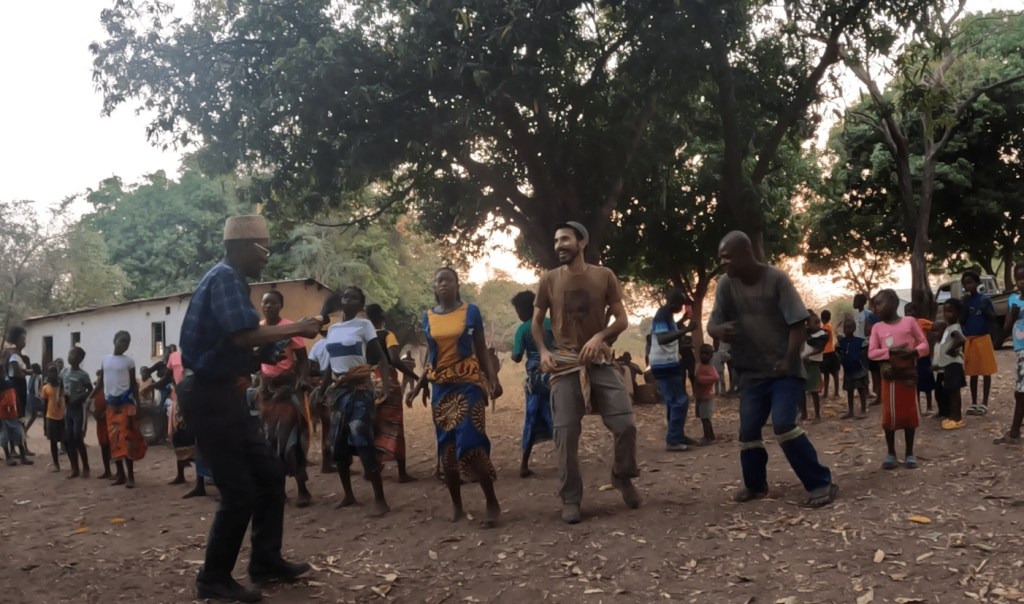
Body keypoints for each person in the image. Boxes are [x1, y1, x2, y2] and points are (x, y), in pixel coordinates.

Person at [177, 216, 321, 602]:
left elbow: (237, 346)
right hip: (208, 395)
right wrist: (295, 329)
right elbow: (242, 334)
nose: (267, 257)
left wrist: (263, 353)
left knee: (270, 474)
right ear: (242, 246)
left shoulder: (231, 281)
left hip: (222, 391)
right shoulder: (225, 277)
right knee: (239, 490)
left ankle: (265, 561)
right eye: (263, 248)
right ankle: (213, 579)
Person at [707, 231, 837, 508]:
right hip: (751, 371)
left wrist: (789, 359)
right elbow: (712, 326)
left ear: (746, 253)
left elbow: (797, 324)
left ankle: (820, 482)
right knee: (749, 431)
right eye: (721, 258)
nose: (723, 263)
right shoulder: (725, 285)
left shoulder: (776, 279)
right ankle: (755, 485)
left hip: (783, 370)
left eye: (727, 257)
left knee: (784, 425)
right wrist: (719, 330)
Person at [531, 221, 640, 524]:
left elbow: (621, 320)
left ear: (582, 242)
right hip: (564, 364)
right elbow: (537, 323)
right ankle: (571, 498)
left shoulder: (604, 276)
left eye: (565, 239)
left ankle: (622, 476)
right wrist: (543, 352)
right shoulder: (549, 280)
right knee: (565, 435)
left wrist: (599, 337)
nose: (558, 245)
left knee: (626, 425)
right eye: (555, 241)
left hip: (600, 361)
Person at [407, 267, 504, 527]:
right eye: (438, 280)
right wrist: (420, 385)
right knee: (447, 449)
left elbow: (481, 349)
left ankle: (491, 501)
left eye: (448, 280)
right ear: (433, 286)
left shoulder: (470, 312)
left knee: (471, 443)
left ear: (457, 284)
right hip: (441, 387)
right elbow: (431, 354)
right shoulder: (428, 316)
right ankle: (457, 505)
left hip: (468, 383)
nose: (443, 284)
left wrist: (492, 378)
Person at [319, 287, 394, 515]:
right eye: (346, 297)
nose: (348, 300)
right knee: (338, 443)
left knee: (362, 438)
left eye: (354, 297)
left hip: (360, 390)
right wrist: (321, 390)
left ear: (361, 304)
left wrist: (386, 387)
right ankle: (348, 495)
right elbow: (330, 365)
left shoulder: (365, 325)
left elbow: (381, 358)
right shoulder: (333, 330)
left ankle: (380, 499)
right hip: (338, 392)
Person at [254, 289, 314, 508]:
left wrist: (303, 378)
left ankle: (302, 489)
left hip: (287, 389)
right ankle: (278, 491)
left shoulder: (290, 329)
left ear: (280, 305)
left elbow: (303, 360)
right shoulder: (259, 329)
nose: (268, 306)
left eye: (272, 303)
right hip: (266, 392)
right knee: (270, 442)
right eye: (265, 303)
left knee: (290, 439)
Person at [868, 289, 929, 470]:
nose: (875, 308)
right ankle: (891, 452)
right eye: (874, 306)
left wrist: (914, 351)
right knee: (889, 416)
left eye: (879, 304)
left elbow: (924, 344)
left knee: (909, 414)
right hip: (889, 377)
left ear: (893, 302)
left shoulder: (909, 322)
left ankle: (909, 452)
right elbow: (872, 353)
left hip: (908, 374)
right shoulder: (877, 328)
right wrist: (891, 352)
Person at [366, 303, 420, 483]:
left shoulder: (363, 337)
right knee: (395, 426)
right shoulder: (388, 335)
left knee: (373, 425)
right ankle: (402, 473)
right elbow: (395, 360)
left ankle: (372, 467)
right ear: (382, 316)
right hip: (387, 380)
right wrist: (415, 376)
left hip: (368, 382)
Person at [92, 331, 147, 487]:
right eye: (122, 341)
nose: (124, 344)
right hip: (111, 405)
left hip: (126, 403)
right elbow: (101, 383)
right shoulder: (105, 360)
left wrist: (139, 404)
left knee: (127, 438)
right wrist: (89, 397)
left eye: (127, 342)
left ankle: (130, 477)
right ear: (114, 340)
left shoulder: (129, 362)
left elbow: (133, 385)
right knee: (114, 439)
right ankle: (120, 474)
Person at [510, 290, 554, 478]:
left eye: (517, 310)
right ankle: (569, 459)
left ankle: (524, 465)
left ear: (523, 309)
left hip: (535, 382)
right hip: (556, 374)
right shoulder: (551, 323)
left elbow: (517, 356)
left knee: (531, 418)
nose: (517, 314)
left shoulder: (523, 329)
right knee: (559, 417)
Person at [649, 288, 698, 450]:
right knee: (680, 401)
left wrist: (682, 322)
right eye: (682, 304)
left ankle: (677, 434)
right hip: (665, 363)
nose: (682, 307)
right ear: (675, 302)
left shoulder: (666, 315)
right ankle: (674, 439)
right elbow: (662, 338)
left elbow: (668, 332)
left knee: (673, 401)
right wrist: (686, 330)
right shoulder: (662, 315)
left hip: (666, 362)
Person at [961, 271, 998, 416]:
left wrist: (985, 310)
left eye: (970, 282)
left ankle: (985, 403)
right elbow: (961, 320)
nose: (967, 285)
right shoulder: (965, 301)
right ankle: (974, 403)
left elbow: (993, 318)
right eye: (965, 283)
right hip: (970, 339)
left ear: (977, 283)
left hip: (983, 337)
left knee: (986, 371)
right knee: (973, 372)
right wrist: (963, 307)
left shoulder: (984, 299)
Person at [996, 263, 1024, 444]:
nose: (1022, 282)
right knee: (1019, 392)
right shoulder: (1014, 300)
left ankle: (1014, 432)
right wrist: (1013, 317)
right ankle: (1014, 431)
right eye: (1019, 278)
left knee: (1021, 393)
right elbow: (1005, 331)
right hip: (1020, 350)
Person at [1, 326, 33, 466]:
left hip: (16, 391)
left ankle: (21, 449)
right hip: (12, 392)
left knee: (19, 420)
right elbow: (17, 373)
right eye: (22, 338)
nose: (24, 341)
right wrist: (28, 372)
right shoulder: (13, 356)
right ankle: (13, 451)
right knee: (11, 422)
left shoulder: (20, 356)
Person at [934, 300, 966, 429]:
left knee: (954, 392)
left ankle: (957, 418)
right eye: (945, 311)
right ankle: (953, 415)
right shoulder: (948, 327)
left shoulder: (954, 328)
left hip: (953, 364)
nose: (946, 314)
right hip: (949, 365)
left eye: (950, 311)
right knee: (951, 391)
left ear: (958, 314)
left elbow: (961, 339)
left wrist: (951, 350)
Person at [61, 347, 92, 478]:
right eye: (69, 354)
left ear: (80, 359)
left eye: (73, 355)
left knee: (77, 437)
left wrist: (80, 397)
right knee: (68, 440)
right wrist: (61, 396)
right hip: (67, 409)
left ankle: (86, 467)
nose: (70, 357)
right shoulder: (64, 372)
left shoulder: (83, 375)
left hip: (77, 409)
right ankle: (74, 468)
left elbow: (90, 389)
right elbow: (61, 386)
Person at [904, 303, 935, 415]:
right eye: (907, 311)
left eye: (912, 310)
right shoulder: (904, 325)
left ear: (916, 312)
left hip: (923, 356)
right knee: (915, 383)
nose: (910, 313)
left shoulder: (922, 322)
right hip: (912, 357)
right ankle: (917, 408)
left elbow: (935, 326)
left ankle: (929, 406)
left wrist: (931, 340)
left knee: (927, 382)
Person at [837, 319, 868, 419]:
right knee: (849, 391)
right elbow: (838, 351)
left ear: (854, 328)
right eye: (846, 327)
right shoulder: (842, 342)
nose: (847, 329)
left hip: (858, 370)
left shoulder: (859, 341)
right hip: (848, 370)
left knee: (861, 390)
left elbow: (865, 351)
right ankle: (850, 411)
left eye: (850, 327)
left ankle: (863, 410)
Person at [802, 312, 828, 422]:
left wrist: (808, 355)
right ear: (807, 325)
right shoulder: (805, 334)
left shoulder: (822, 335)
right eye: (815, 323)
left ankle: (817, 415)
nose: (818, 325)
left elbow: (820, 348)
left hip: (813, 364)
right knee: (801, 390)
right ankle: (804, 413)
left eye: (818, 322)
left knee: (814, 390)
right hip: (803, 364)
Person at [41, 364, 66, 473]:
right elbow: (45, 405)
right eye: (50, 372)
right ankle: (56, 464)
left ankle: (74, 464)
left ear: (58, 373)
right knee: (53, 442)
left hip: (62, 416)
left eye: (54, 371)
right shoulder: (46, 388)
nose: (52, 374)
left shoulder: (62, 387)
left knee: (66, 441)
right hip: (50, 417)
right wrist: (44, 421)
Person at [694, 344, 718, 444]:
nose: (704, 356)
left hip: (707, 397)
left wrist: (701, 379)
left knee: (705, 418)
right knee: (703, 417)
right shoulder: (699, 366)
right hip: (700, 396)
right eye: (702, 354)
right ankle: (710, 436)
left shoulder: (710, 367)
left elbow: (715, 378)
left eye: (707, 354)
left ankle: (707, 438)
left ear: (711, 356)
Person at [90, 370, 112, 478]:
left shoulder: (110, 389)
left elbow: (112, 404)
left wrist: (106, 413)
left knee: (111, 445)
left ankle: (117, 471)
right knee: (103, 445)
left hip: (109, 420)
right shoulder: (96, 391)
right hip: (100, 422)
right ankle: (107, 470)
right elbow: (91, 404)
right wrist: (94, 413)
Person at [820, 310, 840, 398]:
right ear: (829, 318)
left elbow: (825, 338)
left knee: (827, 374)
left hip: (826, 353)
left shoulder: (825, 327)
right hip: (830, 352)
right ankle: (835, 392)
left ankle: (827, 393)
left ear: (821, 319)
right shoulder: (828, 326)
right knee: (834, 374)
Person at [25, 363, 43, 435]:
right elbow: (36, 389)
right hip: (35, 398)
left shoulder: (33, 376)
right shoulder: (37, 377)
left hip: (31, 397)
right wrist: (40, 398)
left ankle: (25, 430)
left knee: (33, 416)